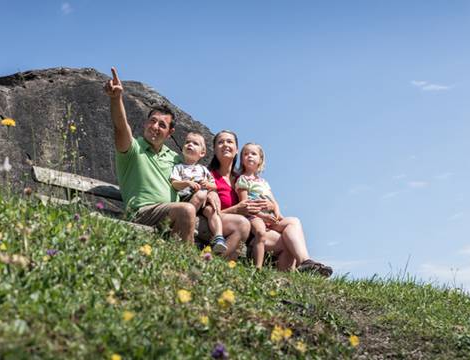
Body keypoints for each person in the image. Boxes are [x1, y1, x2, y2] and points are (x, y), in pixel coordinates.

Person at [209, 130, 333, 276]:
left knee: (290, 237)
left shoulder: (240, 178)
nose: (225, 145)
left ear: (236, 149)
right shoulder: (209, 176)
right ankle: (262, 271)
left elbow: (267, 199)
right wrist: (238, 209)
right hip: (238, 224)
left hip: (256, 224)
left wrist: (274, 208)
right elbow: (211, 212)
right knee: (259, 229)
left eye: (230, 142)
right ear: (214, 148)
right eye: (220, 142)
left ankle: (299, 269)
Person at [104, 67, 196, 243]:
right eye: (152, 121)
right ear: (146, 123)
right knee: (187, 210)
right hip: (142, 213)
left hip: (169, 214)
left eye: (162, 125)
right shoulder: (133, 149)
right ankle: (190, 265)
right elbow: (121, 126)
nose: (155, 127)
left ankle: (175, 261)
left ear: (170, 133)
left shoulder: (176, 158)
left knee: (231, 224)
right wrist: (116, 99)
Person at [170, 132, 227, 254]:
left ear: (202, 153)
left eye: (195, 143)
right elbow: (174, 183)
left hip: (202, 202)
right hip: (186, 199)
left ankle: (218, 237)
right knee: (201, 194)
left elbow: (214, 186)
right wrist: (186, 183)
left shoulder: (203, 169)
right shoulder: (179, 167)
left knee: (211, 211)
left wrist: (207, 184)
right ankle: (189, 223)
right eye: (187, 142)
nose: (190, 144)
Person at [236, 142, 288, 269]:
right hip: (254, 216)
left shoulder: (263, 182)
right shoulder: (242, 179)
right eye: (246, 154)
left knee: (289, 229)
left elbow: (273, 201)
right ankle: (258, 267)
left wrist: (278, 214)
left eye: (253, 154)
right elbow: (245, 204)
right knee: (260, 232)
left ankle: (292, 269)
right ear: (242, 159)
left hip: (270, 216)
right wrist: (262, 216)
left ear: (260, 160)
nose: (249, 156)